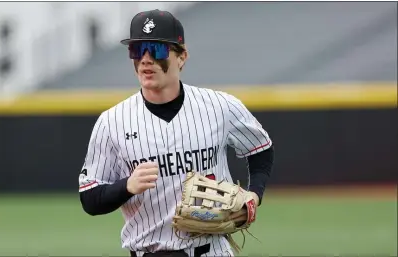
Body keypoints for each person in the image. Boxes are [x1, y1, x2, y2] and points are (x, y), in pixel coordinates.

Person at [79, 9, 274, 257]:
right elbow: (89, 198)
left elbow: (261, 149)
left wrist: (254, 195)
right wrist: (126, 186)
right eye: (137, 50)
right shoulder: (112, 122)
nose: (146, 59)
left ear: (182, 57)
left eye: (157, 49)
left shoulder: (220, 106)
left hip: (212, 251)